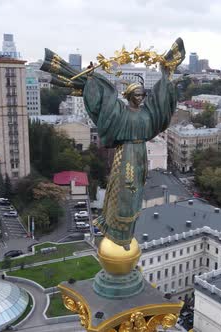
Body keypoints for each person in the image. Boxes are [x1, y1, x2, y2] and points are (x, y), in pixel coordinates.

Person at [41, 38, 185, 249]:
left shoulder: (148, 114)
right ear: (128, 96)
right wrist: (91, 81)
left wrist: (166, 75)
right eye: (136, 94)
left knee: (135, 192)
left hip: (140, 156)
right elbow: (104, 103)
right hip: (125, 154)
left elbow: (162, 105)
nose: (141, 97)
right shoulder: (119, 112)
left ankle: (126, 231)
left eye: (143, 94)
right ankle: (115, 229)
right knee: (123, 190)